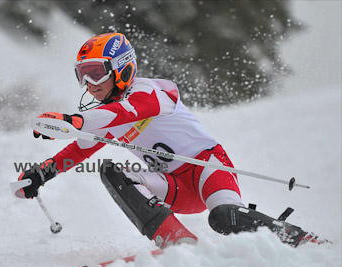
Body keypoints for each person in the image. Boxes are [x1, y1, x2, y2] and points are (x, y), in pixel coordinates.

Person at [18, 32, 324, 248]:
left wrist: (74, 121)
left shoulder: (147, 91)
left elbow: (130, 111)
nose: (88, 84)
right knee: (112, 170)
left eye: (96, 73)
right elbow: (79, 148)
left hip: (208, 168)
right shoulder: (107, 115)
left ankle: (299, 240)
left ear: (122, 69)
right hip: (175, 187)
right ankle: (178, 242)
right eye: (81, 74)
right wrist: (41, 173)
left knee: (224, 217)